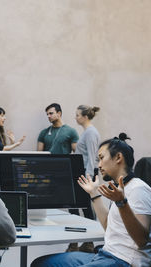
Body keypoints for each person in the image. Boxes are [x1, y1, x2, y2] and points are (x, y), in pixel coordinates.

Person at [31, 133, 151, 267]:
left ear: (118, 157)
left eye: (101, 158)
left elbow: (141, 240)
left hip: (124, 261)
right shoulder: (121, 189)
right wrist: (93, 193)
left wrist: (122, 203)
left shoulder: (139, 190)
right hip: (106, 255)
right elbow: (109, 227)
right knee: (41, 263)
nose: (98, 165)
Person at [66, 105, 101, 253]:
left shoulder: (91, 133)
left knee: (85, 207)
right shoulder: (87, 132)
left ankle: (88, 242)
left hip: (86, 175)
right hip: (82, 174)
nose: (76, 117)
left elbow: (92, 157)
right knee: (75, 205)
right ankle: (78, 242)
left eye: (78, 115)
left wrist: (88, 178)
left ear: (85, 117)